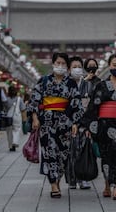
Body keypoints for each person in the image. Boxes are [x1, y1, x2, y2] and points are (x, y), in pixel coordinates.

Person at [80, 54, 116, 200]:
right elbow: (93, 108)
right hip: (104, 125)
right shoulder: (100, 86)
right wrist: (89, 127)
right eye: (114, 65)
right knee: (106, 155)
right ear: (109, 66)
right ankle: (107, 184)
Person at [27, 52, 84, 199]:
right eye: (57, 63)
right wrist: (34, 118)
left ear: (67, 66)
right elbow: (34, 101)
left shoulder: (71, 83)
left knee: (63, 155)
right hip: (46, 123)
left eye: (63, 63)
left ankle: (57, 180)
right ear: (53, 64)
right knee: (49, 154)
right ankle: (53, 184)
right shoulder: (43, 81)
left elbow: (76, 103)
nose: (60, 66)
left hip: (65, 123)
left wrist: (75, 122)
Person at [67, 56, 92, 189]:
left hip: (84, 120)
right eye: (74, 67)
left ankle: (83, 177)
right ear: (69, 69)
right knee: (71, 150)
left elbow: (92, 105)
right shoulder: (66, 84)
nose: (77, 69)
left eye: (79, 66)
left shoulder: (88, 85)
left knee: (83, 148)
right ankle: (72, 178)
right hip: (69, 121)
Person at [5, 86, 26, 152]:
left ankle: (11, 145)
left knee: (9, 131)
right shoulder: (19, 99)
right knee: (16, 130)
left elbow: (4, 109)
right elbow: (23, 109)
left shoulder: (6, 99)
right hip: (17, 116)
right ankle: (15, 142)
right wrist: (24, 119)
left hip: (8, 117)